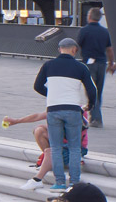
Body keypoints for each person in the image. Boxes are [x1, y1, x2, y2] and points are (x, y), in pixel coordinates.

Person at [33, 35, 95, 189]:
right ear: (74, 50)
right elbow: (91, 89)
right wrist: (90, 104)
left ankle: (59, 182)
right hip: (73, 110)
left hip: (54, 109)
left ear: (60, 49)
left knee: (55, 148)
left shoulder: (48, 65)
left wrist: (53, 95)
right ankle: (74, 182)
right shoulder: (81, 67)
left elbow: (37, 86)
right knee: (74, 148)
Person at [76, 7, 113, 126]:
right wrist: (111, 63)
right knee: (98, 91)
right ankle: (94, 116)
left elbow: (77, 46)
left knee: (91, 90)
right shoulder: (105, 31)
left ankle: (96, 119)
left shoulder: (84, 31)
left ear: (89, 16)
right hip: (102, 63)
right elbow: (109, 49)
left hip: (88, 64)